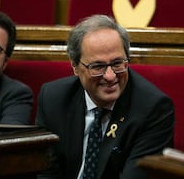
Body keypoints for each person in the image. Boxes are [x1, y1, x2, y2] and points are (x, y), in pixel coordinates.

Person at [36, 15, 175, 179]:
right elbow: (46, 171)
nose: (110, 76)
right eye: (98, 66)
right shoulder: (53, 98)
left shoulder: (153, 109)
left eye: (117, 63)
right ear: (75, 66)